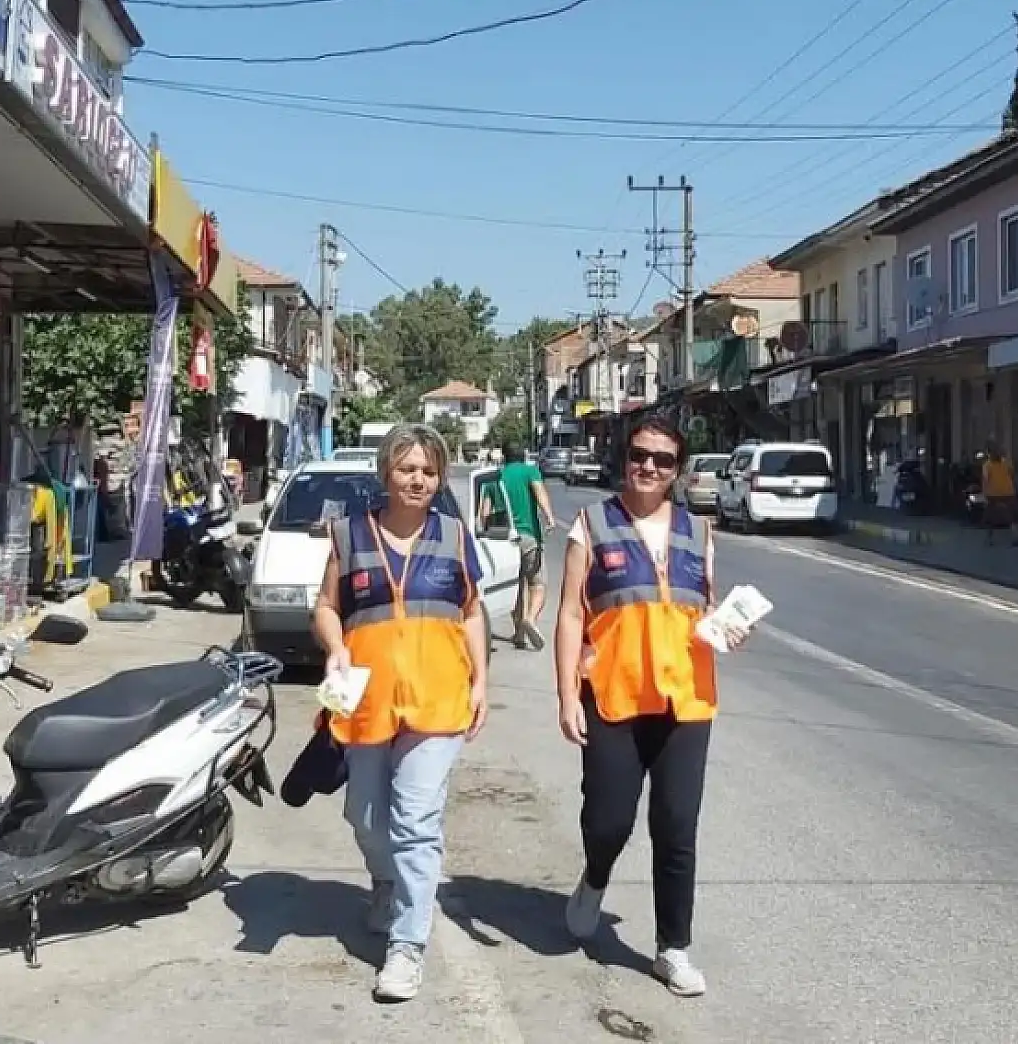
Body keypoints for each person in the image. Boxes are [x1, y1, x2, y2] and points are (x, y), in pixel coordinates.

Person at [553, 407, 742, 998]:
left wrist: (728, 628)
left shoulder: (699, 530)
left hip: (686, 699)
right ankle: (596, 875)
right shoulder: (591, 524)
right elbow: (569, 614)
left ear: (677, 470)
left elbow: (701, 608)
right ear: (625, 458)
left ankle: (672, 948)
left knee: (676, 824)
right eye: (640, 456)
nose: (649, 467)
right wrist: (566, 695)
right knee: (609, 819)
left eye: (663, 460)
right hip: (612, 694)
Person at [312, 423, 490, 1004]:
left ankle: (407, 947)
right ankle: (384, 880)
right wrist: (335, 645)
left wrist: (482, 679)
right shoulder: (350, 533)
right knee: (365, 816)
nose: (417, 479)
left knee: (416, 822)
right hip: (366, 698)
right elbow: (326, 605)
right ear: (386, 472)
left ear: (440, 479)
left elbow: (470, 613)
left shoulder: (456, 536)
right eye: (407, 468)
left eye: (429, 471)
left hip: (438, 699)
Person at [498, 441, 556, 650]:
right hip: (529, 536)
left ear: (504, 456)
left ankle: (519, 634)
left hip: (504, 539)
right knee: (537, 583)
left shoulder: (497, 477)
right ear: (523, 455)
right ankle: (530, 618)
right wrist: (549, 517)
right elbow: (539, 492)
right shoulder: (530, 471)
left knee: (515, 587)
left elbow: (484, 511)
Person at [980, 441, 1018, 546]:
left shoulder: (987, 465)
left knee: (990, 517)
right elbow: (1012, 474)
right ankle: (1015, 534)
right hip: (1008, 492)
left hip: (993, 493)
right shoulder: (1006, 462)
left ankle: (989, 539)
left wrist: (984, 493)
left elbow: (986, 480)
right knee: (1010, 516)